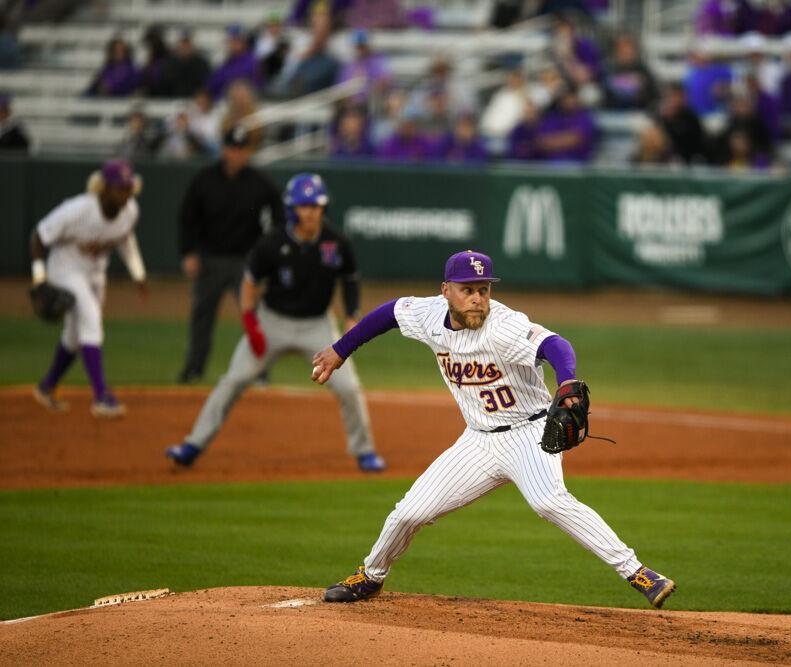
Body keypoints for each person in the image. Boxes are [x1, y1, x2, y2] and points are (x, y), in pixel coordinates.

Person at [312, 250, 676, 608]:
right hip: (477, 442)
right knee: (408, 513)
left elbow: (556, 345)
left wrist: (566, 383)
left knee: (548, 501)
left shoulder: (504, 326)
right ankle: (370, 577)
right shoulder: (428, 314)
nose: (477, 298)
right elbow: (389, 313)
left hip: (528, 435)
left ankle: (638, 573)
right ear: (445, 291)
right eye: (467, 289)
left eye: (483, 289)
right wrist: (340, 350)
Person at [166, 173, 384, 472]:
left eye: (314, 205)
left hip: (317, 326)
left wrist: (351, 316)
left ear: (323, 207)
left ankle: (364, 451)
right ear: (292, 209)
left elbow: (350, 281)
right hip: (273, 322)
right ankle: (192, 445)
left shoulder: (336, 242)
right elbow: (249, 283)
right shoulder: (272, 242)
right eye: (303, 206)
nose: (309, 212)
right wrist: (250, 322)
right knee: (234, 380)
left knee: (348, 388)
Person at [30, 159, 147, 418]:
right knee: (91, 320)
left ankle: (46, 387)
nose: (125, 193)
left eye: (128, 188)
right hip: (65, 270)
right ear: (103, 188)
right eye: (119, 188)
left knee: (75, 336)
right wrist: (39, 278)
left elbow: (125, 239)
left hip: (95, 274)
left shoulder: (130, 211)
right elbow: (38, 236)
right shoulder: (78, 209)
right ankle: (102, 396)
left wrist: (138, 274)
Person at [176, 125, 284, 384]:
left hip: (247, 262)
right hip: (210, 259)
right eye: (232, 148)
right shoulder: (205, 178)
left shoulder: (259, 181)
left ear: (247, 152)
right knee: (202, 317)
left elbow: (280, 215)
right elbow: (187, 217)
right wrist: (188, 252)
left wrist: (267, 254)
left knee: (254, 318)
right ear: (224, 149)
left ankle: (261, 372)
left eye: (241, 149)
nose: (236, 154)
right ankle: (194, 369)